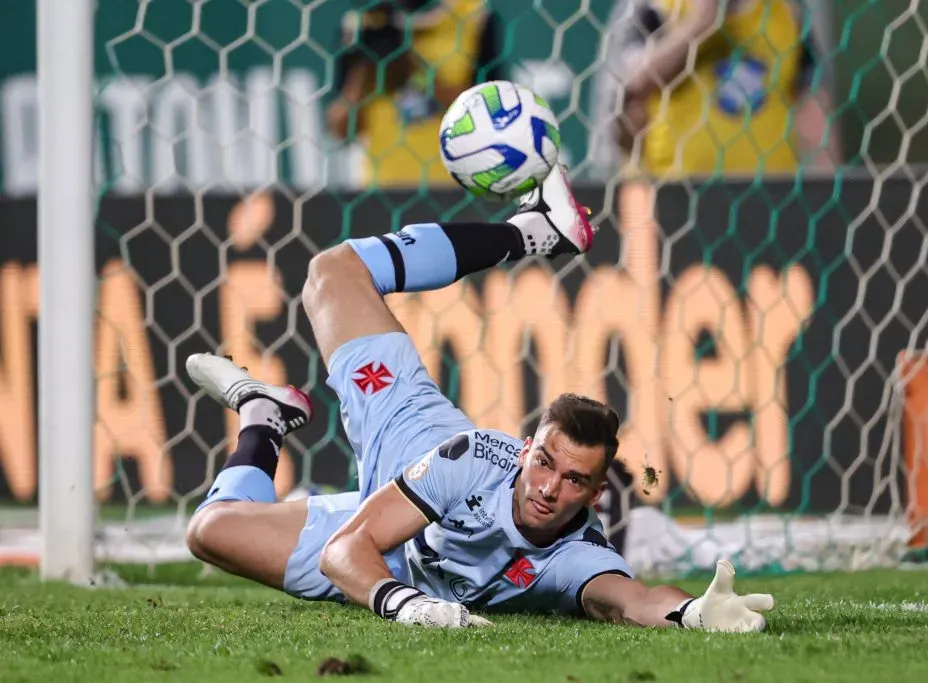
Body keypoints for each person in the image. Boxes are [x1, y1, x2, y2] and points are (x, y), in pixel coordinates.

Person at [184, 165, 775, 632]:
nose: (548, 488)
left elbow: (632, 600)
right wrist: (405, 606)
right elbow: (345, 553)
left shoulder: (575, 555)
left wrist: (693, 613)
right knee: (334, 271)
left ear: (596, 496)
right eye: (544, 462)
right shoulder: (472, 459)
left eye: (573, 481)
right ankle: (534, 232)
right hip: (405, 433)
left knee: (208, 531)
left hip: (387, 544)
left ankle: (263, 417)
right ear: (524, 451)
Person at [610, 0, 809, 178]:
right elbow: (634, 85)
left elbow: (814, 108)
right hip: (677, 191)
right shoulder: (656, 8)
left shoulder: (787, 11)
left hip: (772, 193)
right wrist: (701, 23)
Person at [326, 0, 506, 188]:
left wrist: (411, 70)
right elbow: (340, 129)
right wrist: (364, 65)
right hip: (380, 190)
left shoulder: (475, 16)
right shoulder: (364, 22)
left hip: (456, 188)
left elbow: (489, 116)